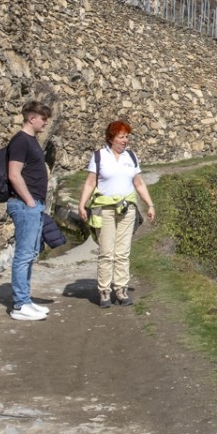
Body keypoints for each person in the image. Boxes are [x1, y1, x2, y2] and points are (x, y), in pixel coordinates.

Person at [78, 120, 155, 308]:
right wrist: (82, 204)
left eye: (127, 136)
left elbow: (138, 183)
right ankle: (104, 291)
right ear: (111, 138)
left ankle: (121, 290)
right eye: (121, 137)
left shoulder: (131, 157)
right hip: (104, 210)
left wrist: (150, 204)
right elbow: (90, 182)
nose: (125, 140)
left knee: (122, 252)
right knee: (106, 252)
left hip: (126, 209)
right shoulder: (99, 156)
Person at [6, 100, 53, 321]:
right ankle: (19, 304)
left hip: (33, 204)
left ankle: (25, 300)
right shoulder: (20, 141)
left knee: (31, 254)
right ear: (31, 118)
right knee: (24, 255)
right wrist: (30, 202)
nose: (45, 123)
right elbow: (14, 174)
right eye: (43, 118)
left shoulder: (31, 141)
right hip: (26, 205)